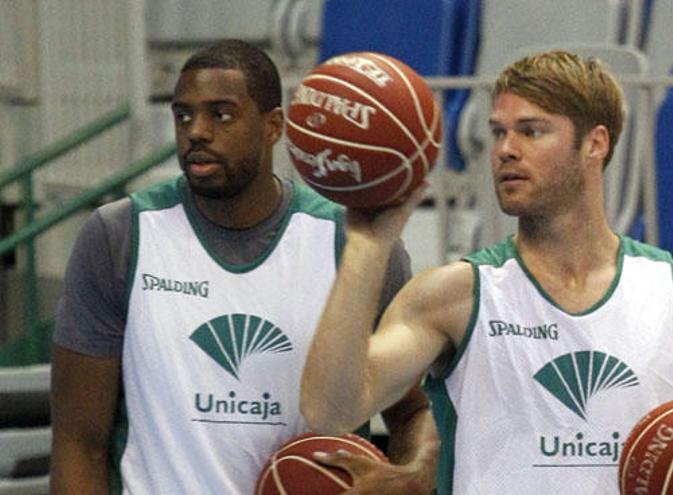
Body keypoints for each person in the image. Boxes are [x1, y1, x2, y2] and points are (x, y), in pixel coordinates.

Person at [300, 50, 673, 494]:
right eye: (498, 132)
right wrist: (367, 247)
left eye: (531, 131)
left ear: (595, 143)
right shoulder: (453, 295)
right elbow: (330, 410)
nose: (505, 150)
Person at [49, 39, 438, 494]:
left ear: (273, 127)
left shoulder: (352, 243)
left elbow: (412, 410)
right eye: (183, 114)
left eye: (222, 114)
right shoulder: (120, 235)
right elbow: (79, 442)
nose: (196, 130)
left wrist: (411, 475)